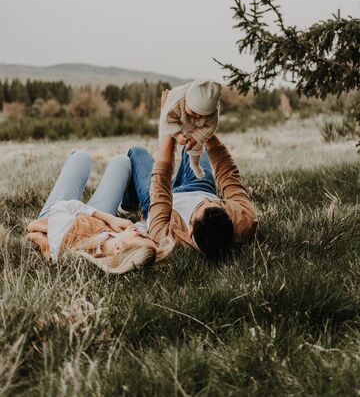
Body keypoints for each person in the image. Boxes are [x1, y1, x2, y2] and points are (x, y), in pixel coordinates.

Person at [26, 150, 173, 274]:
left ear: (118, 248)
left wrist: (109, 218)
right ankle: (126, 205)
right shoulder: (116, 243)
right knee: (122, 162)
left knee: (81, 157)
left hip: (56, 219)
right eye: (147, 236)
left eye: (140, 236)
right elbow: (142, 230)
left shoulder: (71, 236)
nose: (142, 232)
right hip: (96, 224)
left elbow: (65, 206)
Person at [123, 130, 258, 257]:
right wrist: (204, 130)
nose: (205, 200)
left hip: (158, 202)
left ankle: (130, 202)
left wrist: (171, 131)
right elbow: (228, 173)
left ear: (190, 230)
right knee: (197, 143)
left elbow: (160, 185)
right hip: (199, 186)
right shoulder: (244, 220)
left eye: (200, 206)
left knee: (137, 152)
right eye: (215, 203)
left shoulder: (166, 238)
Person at [159, 79, 222, 178]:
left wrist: (196, 137)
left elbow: (210, 127)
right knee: (167, 143)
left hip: (195, 127)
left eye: (203, 115)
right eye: (194, 112)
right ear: (186, 100)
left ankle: (195, 164)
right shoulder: (175, 101)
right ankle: (169, 170)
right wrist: (177, 135)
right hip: (175, 119)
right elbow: (167, 121)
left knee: (197, 145)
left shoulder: (212, 113)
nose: (198, 116)